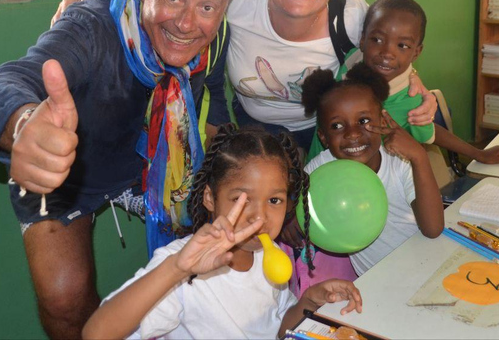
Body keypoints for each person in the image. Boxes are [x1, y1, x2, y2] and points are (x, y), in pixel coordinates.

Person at [0, 0, 237, 339]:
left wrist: (237, 160)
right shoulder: (91, 26)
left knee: (225, 238)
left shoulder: (213, 38)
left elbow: (211, 94)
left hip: (158, 164)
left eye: (207, 8)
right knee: (64, 299)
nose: (186, 23)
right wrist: (22, 125)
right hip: (72, 165)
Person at [53, 0, 439, 152]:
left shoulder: (351, 16)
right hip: (253, 128)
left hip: (326, 133)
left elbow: (391, 51)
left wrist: (419, 88)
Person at [82, 125, 362, 340]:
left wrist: (308, 301)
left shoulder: (270, 254)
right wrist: (177, 269)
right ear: (210, 198)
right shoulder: (182, 265)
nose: (259, 217)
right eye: (241, 199)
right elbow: (96, 333)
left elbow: (277, 329)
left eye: (274, 200)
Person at [308, 0, 499, 163]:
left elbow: (430, 133)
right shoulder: (350, 61)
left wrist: (477, 153)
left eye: (402, 46)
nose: (387, 53)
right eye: (377, 39)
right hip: (314, 170)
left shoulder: (409, 99)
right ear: (362, 40)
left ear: (416, 53)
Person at [300, 63, 444, 277]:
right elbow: (294, 206)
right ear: (323, 137)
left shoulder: (401, 162)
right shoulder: (319, 171)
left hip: (428, 268)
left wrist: (419, 157)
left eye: (364, 121)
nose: (353, 134)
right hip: (374, 284)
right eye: (337, 126)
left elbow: (433, 229)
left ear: (382, 120)